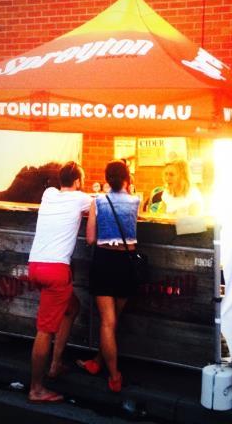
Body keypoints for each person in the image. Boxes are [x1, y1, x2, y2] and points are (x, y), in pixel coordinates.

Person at [27, 161, 92, 403]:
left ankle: (55, 364)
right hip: (56, 271)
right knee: (44, 331)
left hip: (35, 266)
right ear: (78, 182)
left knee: (72, 307)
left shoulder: (49, 193)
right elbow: (100, 202)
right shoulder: (81, 199)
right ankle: (36, 388)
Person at [77, 160, 140, 392]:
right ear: (127, 178)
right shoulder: (136, 201)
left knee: (107, 322)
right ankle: (97, 363)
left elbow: (91, 239)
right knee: (113, 322)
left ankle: (113, 376)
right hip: (126, 265)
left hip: (104, 262)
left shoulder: (99, 201)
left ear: (106, 178)